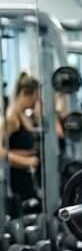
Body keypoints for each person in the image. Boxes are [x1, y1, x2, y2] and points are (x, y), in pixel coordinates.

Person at [3, 72, 41, 215]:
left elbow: (12, 146)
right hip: (16, 180)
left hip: (27, 178)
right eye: (34, 97)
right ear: (25, 93)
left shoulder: (22, 114)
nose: (35, 102)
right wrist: (25, 161)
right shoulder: (12, 117)